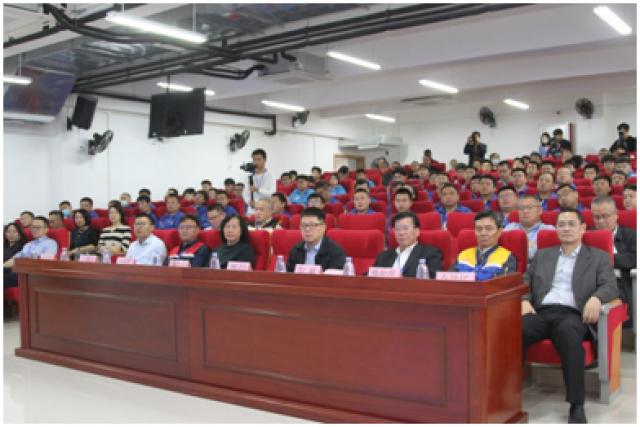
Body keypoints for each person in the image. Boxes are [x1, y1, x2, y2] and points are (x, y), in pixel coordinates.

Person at [521, 209, 618, 423]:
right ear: (556, 229)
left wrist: (597, 298)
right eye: (561, 224)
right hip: (542, 312)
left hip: (573, 315)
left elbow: (611, 286)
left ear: (582, 228)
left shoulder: (598, 257)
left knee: (568, 334)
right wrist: (524, 300)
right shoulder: (543, 255)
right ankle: (505, 396)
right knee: (513, 330)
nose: (566, 228)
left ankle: (576, 404)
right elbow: (524, 282)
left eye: (571, 224)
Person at [591, 196, 636, 328]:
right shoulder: (588, 235)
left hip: (621, 282)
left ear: (616, 214)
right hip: (592, 282)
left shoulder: (631, 235)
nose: (601, 221)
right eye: (596, 217)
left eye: (605, 216)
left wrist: (606, 259)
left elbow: (634, 259)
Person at [373, 211, 442, 278]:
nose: (401, 233)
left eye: (406, 228)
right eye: (397, 229)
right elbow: (370, 278)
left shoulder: (430, 253)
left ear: (417, 231)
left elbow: (434, 280)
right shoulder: (383, 256)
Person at [450, 211, 517, 280]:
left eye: (488, 229)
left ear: (499, 232)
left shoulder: (507, 257)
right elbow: (450, 281)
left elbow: (504, 284)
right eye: (479, 229)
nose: (483, 233)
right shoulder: (462, 256)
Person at [286, 207, 346, 272]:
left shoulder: (335, 251)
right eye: (304, 225)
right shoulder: (296, 250)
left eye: (312, 225)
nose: (307, 229)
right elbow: (288, 275)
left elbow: (335, 277)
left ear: (323, 227)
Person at [505, 195, 555, 260]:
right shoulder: (510, 228)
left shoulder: (548, 230)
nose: (525, 211)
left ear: (539, 210)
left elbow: (547, 256)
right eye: (521, 208)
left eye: (529, 207)